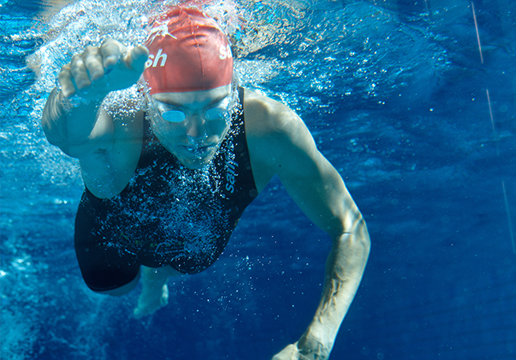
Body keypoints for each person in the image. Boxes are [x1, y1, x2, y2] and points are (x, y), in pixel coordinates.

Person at [40, 6, 370, 360]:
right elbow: (68, 136)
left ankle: (159, 274)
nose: (196, 135)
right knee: (116, 287)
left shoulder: (271, 127)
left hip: (194, 244)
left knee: (186, 259)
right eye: (173, 113)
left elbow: (349, 227)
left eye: (216, 111)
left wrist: (314, 346)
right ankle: (151, 275)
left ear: (235, 92)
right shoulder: (125, 121)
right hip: (111, 238)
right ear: (147, 99)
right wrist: (77, 98)